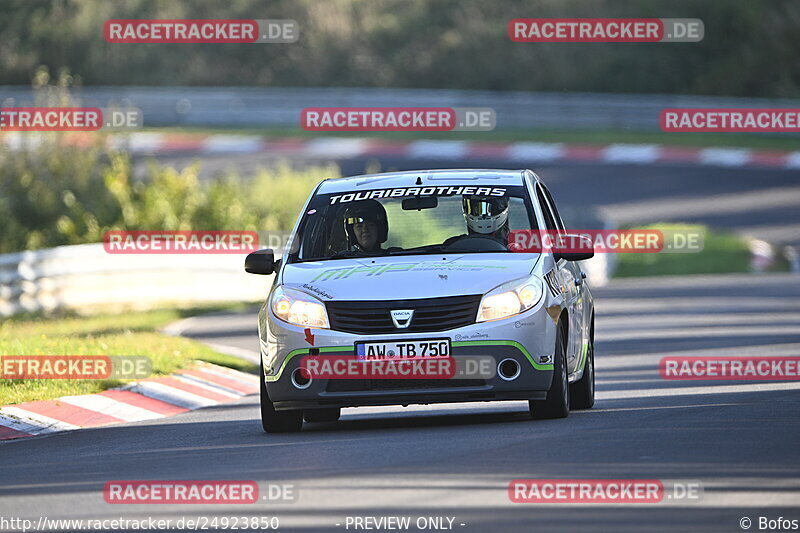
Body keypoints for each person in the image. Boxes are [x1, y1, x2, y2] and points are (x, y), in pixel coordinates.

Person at [443, 195, 511, 248]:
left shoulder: (451, 246)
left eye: (487, 208)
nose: (482, 215)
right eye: (477, 209)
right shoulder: (513, 249)